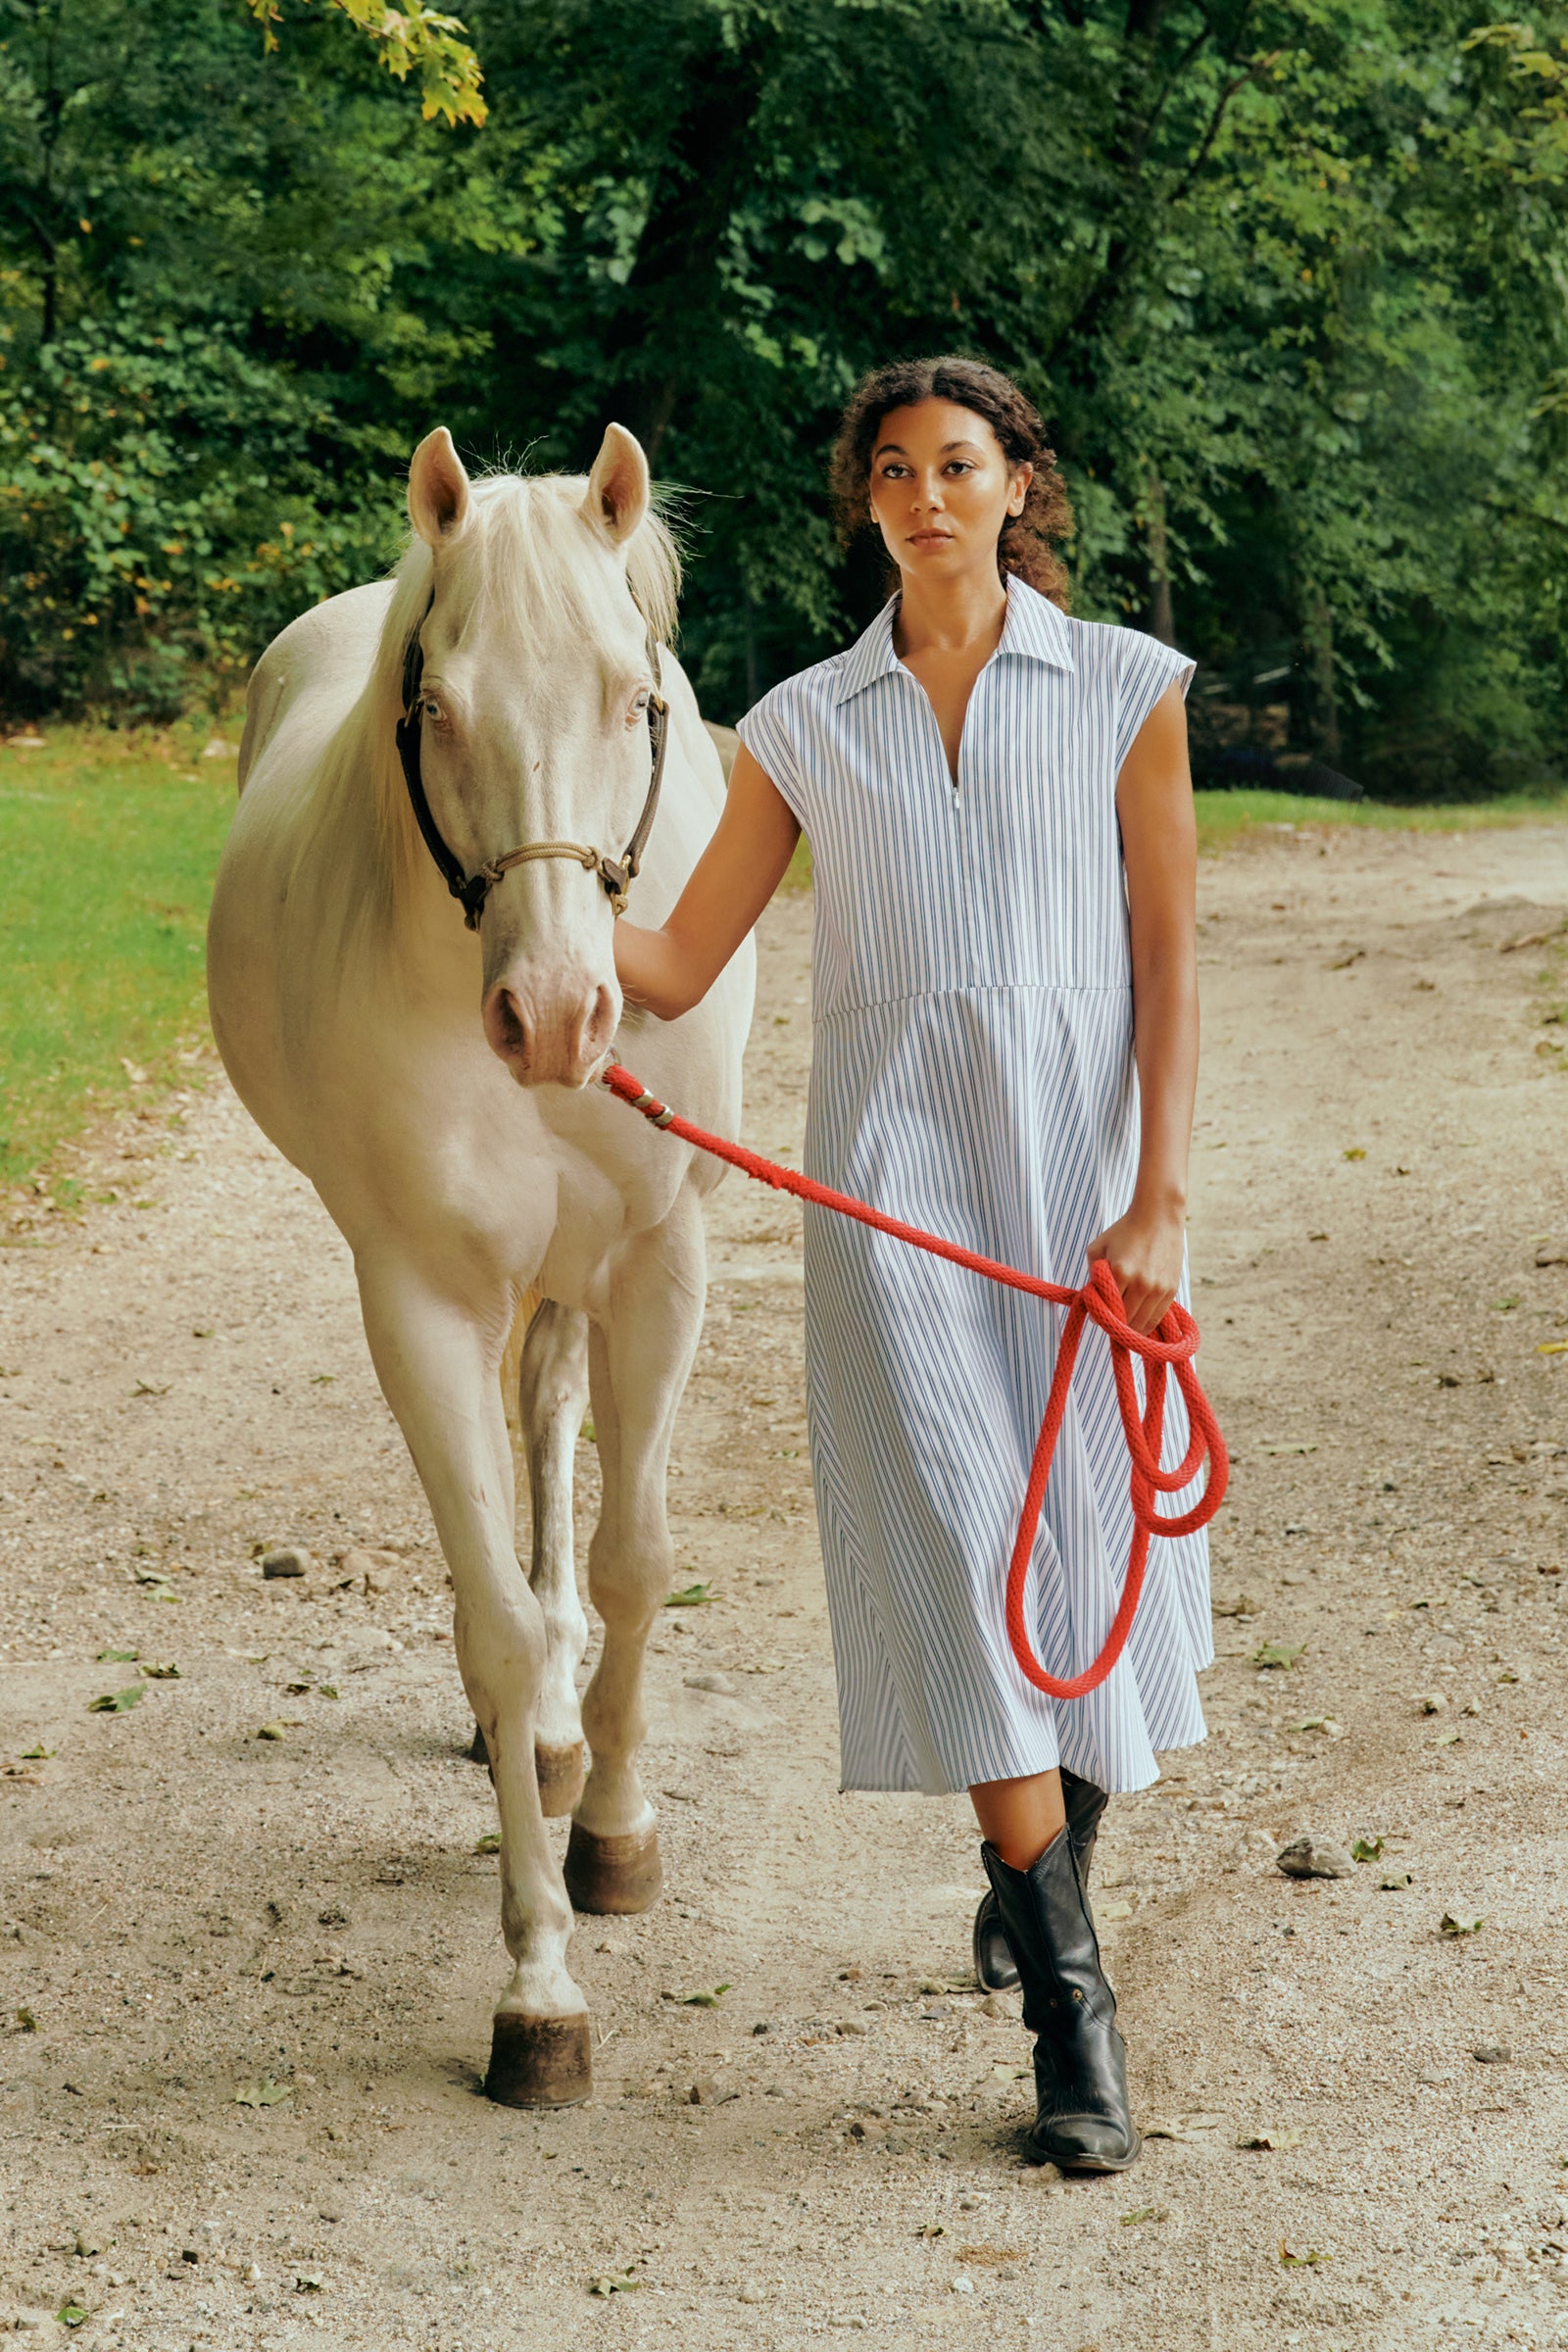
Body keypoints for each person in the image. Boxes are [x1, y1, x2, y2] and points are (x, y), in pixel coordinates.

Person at [612, 355, 1209, 2175]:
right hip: (894, 1206)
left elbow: (1172, 960)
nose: (929, 495)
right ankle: (1072, 2019)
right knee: (967, 1565)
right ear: (866, 502)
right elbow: (684, 957)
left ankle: (1043, 1858)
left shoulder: (1123, 688)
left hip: (1085, 1193)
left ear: (1022, 484)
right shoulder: (803, 723)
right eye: (896, 469)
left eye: (962, 464)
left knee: (1087, 1552)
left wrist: (1162, 1196)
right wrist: (542, 948)